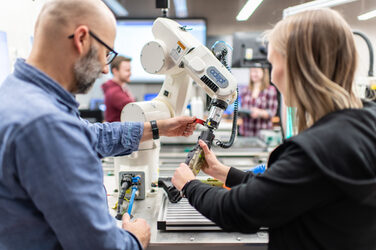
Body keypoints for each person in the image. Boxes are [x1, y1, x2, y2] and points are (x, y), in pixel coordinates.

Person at [172, 8, 376, 250]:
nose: (274, 78)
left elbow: (239, 211)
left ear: (298, 67)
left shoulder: (317, 150)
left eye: (273, 64)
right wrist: (222, 172)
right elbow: (284, 189)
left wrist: (189, 185)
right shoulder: (364, 120)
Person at [0, 0, 197, 249]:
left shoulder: (19, 92)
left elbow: (92, 135)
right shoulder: (46, 123)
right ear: (81, 38)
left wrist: (159, 127)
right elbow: (99, 245)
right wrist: (135, 239)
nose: (105, 69)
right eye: (106, 54)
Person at [239, 66, 278, 137]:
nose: (253, 74)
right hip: (246, 133)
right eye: (251, 71)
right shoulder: (245, 90)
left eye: (256, 71)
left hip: (263, 134)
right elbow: (242, 107)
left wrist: (259, 112)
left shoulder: (270, 90)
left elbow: (272, 112)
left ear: (264, 72)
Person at [102, 56, 135, 122]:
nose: (130, 73)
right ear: (115, 71)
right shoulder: (115, 92)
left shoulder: (120, 88)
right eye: (127, 70)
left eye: (130, 70)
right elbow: (136, 111)